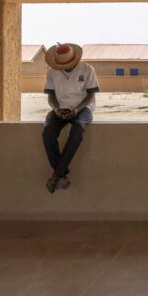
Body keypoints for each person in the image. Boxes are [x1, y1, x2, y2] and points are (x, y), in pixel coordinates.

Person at [42, 43, 99, 193]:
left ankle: (56, 175)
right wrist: (56, 109)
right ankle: (62, 174)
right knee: (48, 131)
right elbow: (51, 96)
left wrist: (77, 109)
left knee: (77, 130)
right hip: (60, 108)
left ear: (75, 59)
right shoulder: (51, 72)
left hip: (83, 108)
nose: (65, 67)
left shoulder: (87, 69)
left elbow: (91, 95)